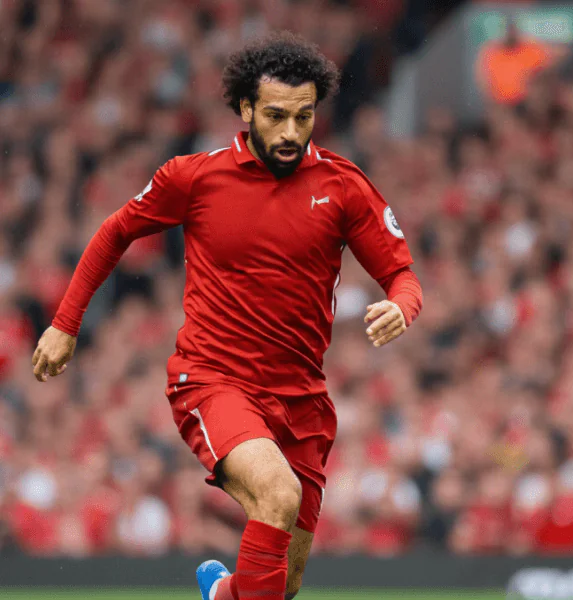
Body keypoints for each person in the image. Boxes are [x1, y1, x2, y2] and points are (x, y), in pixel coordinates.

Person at [30, 32, 423, 600]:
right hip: (214, 381)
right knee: (278, 495)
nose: (291, 132)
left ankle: (220, 594)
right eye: (276, 115)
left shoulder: (343, 187)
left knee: (284, 582)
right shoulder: (195, 177)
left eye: (304, 116)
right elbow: (116, 231)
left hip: (303, 400)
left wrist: (401, 306)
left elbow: (403, 274)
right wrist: (65, 324)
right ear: (245, 109)